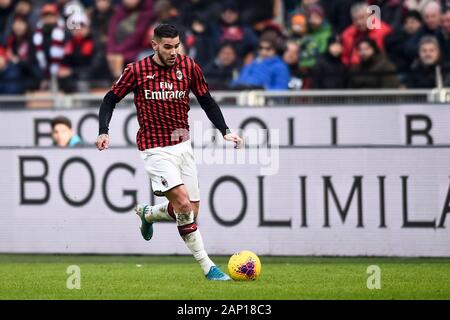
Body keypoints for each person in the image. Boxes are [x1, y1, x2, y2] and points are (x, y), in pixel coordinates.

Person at [95, 24, 243, 281]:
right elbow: (110, 98)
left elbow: (206, 99)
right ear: (154, 46)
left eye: (177, 46)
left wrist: (224, 130)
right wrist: (103, 130)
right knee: (184, 204)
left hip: (182, 145)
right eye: (167, 47)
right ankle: (209, 268)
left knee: (191, 211)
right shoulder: (136, 70)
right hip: (154, 148)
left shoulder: (189, 67)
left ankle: (148, 213)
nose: (174, 51)